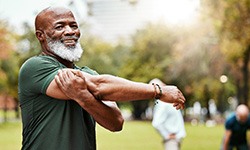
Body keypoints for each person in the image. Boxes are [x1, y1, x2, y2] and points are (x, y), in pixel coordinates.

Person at [18, 6, 186, 150]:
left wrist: (83, 97)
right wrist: (157, 91)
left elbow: (116, 122)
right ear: (41, 35)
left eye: (73, 25)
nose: (70, 31)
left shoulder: (89, 73)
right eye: (60, 26)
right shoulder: (35, 67)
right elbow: (98, 86)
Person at [150, 78, 186, 150]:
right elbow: (156, 123)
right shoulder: (163, 103)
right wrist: (166, 135)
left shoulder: (168, 101)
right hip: (172, 139)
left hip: (176, 138)